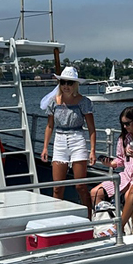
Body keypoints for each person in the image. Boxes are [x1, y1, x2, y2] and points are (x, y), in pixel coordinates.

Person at [40, 66, 96, 218]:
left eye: (70, 83)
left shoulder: (84, 102)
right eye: (63, 82)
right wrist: (45, 148)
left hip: (77, 138)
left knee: (80, 186)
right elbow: (49, 126)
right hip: (59, 140)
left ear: (75, 85)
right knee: (57, 187)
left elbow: (91, 128)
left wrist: (92, 150)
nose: (66, 86)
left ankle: (89, 219)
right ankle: (57, 219)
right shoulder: (53, 102)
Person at [90, 106, 133, 211]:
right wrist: (110, 164)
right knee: (94, 193)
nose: (124, 127)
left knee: (129, 196)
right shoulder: (124, 138)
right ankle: (107, 222)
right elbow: (121, 160)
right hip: (126, 176)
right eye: (122, 124)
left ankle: (126, 225)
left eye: (127, 123)